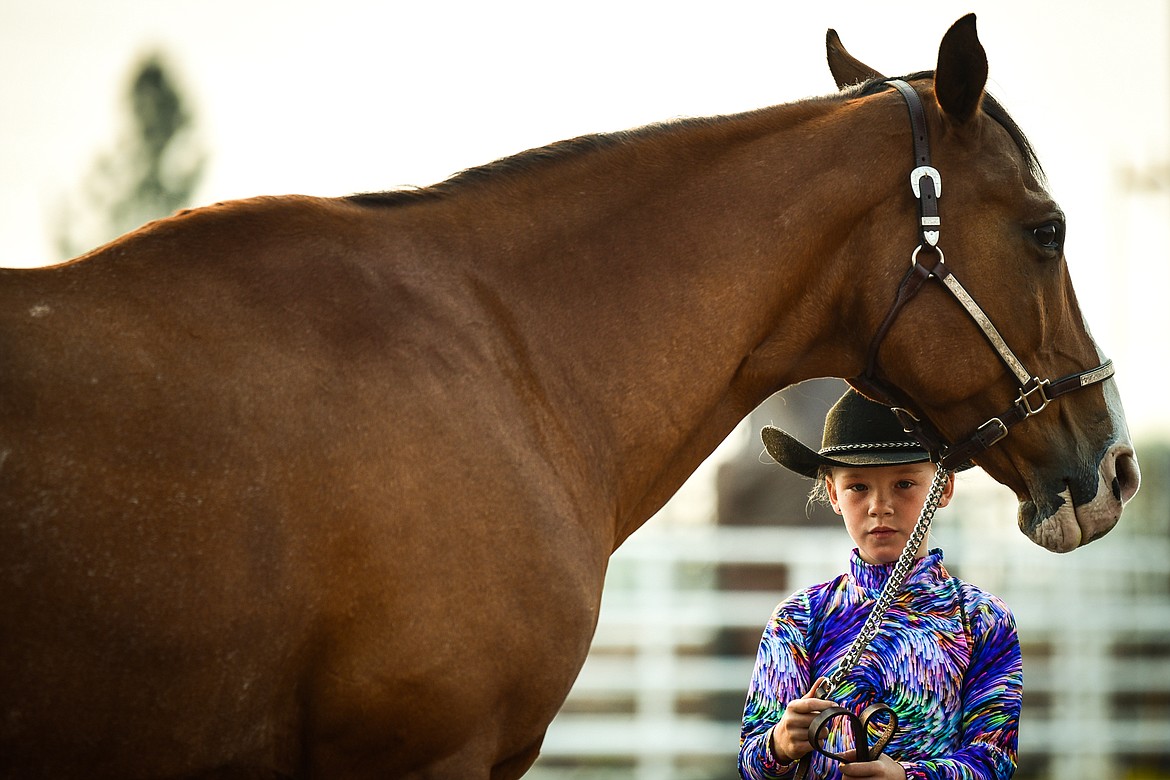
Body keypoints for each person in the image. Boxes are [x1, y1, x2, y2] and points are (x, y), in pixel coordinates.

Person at [738, 389, 1022, 780]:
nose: (879, 506)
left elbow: (995, 759)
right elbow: (751, 762)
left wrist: (906, 777)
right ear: (833, 493)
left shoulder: (982, 618)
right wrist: (780, 743)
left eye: (904, 483)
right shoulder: (799, 617)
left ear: (943, 488)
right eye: (858, 487)